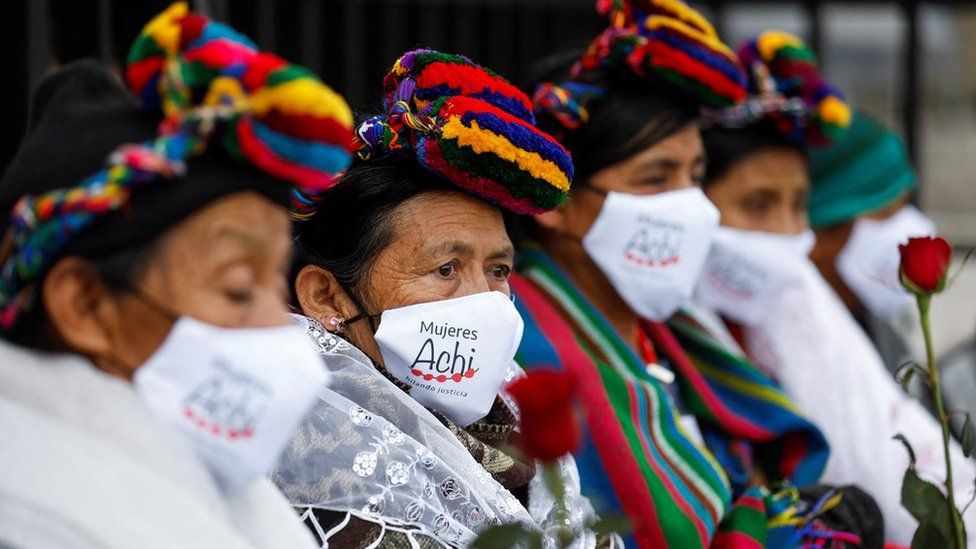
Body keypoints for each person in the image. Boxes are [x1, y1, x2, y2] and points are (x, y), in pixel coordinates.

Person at [515, 1, 879, 547]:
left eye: (696, 175)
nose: (690, 206)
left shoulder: (673, 331)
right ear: (553, 200)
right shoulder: (527, 351)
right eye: (656, 178)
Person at [0, 3, 355, 548]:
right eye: (237, 289)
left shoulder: (214, 478)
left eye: (272, 281)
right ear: (85, 304)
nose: (280, 328)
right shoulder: (34, 519)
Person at [272, 49, 607, 548]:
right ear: (327, 297)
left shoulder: (522, 443)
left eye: (498, 269)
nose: (484, 299)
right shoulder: (312, 483)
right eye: (445, 269)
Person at [697, 30, 976, 546]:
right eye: (758, 205)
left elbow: (888, 438)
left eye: (798, 204)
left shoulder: (803, 304)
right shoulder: (667, 331)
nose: (786, 232)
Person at [806, 112, 934, 378]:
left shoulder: (876, 328)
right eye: (887, 213)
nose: (912, 229)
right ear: (819, 233)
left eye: (906, 206)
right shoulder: (797, 353)